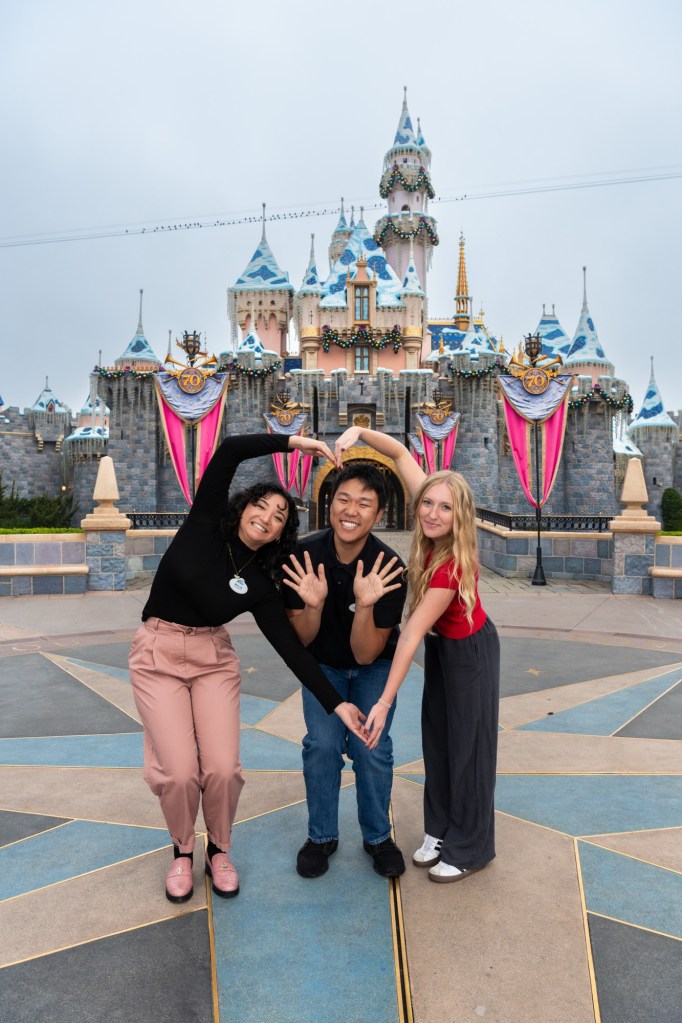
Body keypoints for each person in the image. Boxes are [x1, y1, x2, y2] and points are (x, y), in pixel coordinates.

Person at [128, 433, 367, 904]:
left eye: (280, 516)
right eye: (261, 505)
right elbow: (230, 451)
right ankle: (182, 850)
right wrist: (297, 444)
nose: (267, 517)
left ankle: (219, 849)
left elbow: (291, 650)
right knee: (178, 773)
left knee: (222, 769)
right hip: (157, 654)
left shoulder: (259, 582)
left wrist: (337, 703)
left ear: (281, 533)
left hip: (212, 660)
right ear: (242, 508)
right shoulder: (204, 523)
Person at [334, 426, 500, 884]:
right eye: (427, 502)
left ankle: (471, 847)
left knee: (468, 751)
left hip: (471, 653)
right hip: (444, 650)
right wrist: (358, 432)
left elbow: (408, 637)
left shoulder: (451, 566)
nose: (432, 512)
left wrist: (383, 703)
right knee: (440, 743)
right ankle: (441, 830)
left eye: (445, 507)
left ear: (459, 515)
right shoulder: (430, 517)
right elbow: (400, 452)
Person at [282, 462, 408, 879]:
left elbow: (366, 654)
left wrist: (366, 604)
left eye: (364, 503)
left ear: (379, 514)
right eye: (343, 499)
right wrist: (313, 606)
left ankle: (378, 837)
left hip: (373, 667)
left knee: (372, 747)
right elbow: (302, 639)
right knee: (322, 745)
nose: (351, 511)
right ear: (330, 503)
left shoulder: (389, 567)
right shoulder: (301, 558)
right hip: (323, 666)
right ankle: (321, 837)